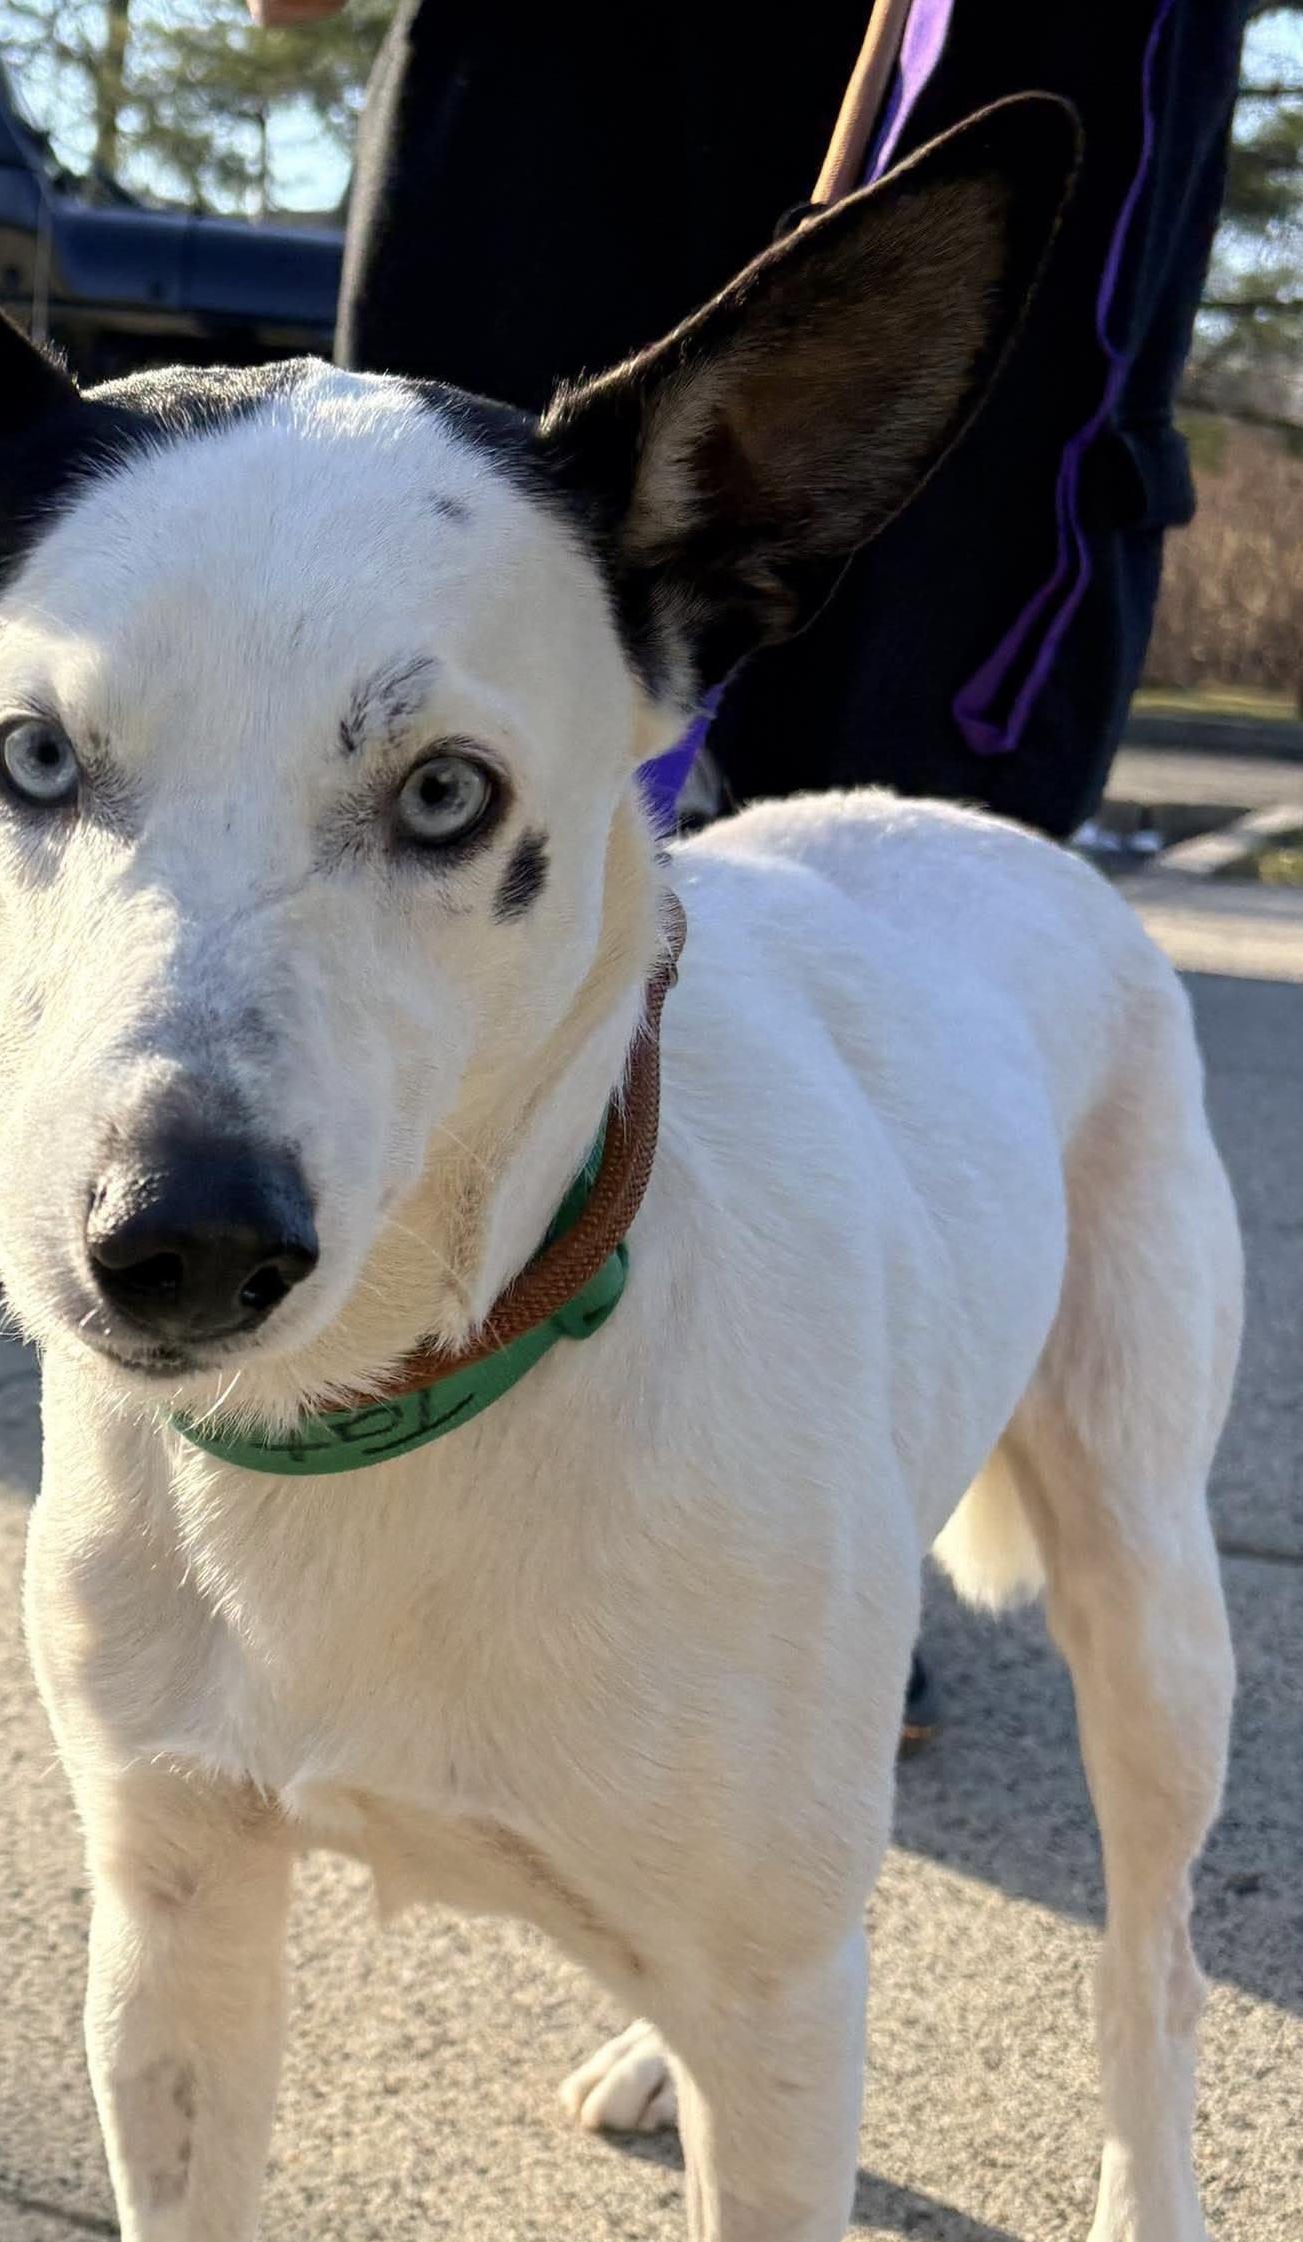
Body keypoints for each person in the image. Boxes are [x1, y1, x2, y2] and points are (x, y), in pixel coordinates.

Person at [252, 0, 1249, 1742]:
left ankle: (808, 1538)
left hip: (1021, 39)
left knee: (920, 840)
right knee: (423, 673)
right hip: (560, 76)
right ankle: (411, 1499)